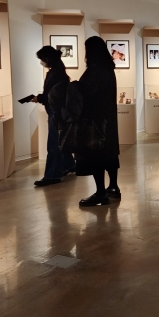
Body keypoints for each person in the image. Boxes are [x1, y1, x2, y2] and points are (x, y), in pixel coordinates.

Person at [77, 36, 121, 207]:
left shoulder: (94, 70)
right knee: (110, 154)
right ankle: (113, 187)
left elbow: (85, 93)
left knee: (96, 156)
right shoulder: (108, 68)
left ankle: (101, 193)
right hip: (108, 119)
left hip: (95, 121)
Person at [33, 46, 74, 186]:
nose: (41, 62)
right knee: (59, 140)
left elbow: (51, 96)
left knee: (54, 143)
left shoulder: (54, 74)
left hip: (55, 112)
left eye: (42, 59)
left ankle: (52, 175)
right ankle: (69, 165)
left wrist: (38, 98)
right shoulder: (60, 72)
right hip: (59, 111)